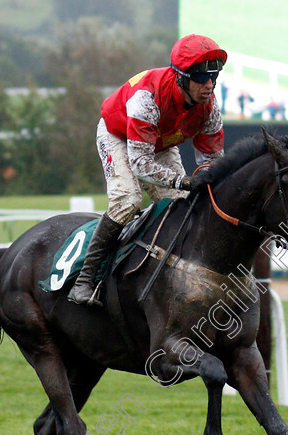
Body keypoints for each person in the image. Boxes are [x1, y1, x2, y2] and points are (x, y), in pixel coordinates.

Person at [67, 34, 227, 306]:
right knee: (127, 200)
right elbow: (140, 164)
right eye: (201, 78)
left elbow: (212, 159)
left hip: (160, 141)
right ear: (180, 77)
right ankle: (85, 279)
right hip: (118, 134)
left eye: (213, 76)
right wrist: (184, 181)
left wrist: (206, 175)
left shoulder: (209, 106)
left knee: (180, 206)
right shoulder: (147, 98)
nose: (209, 85)